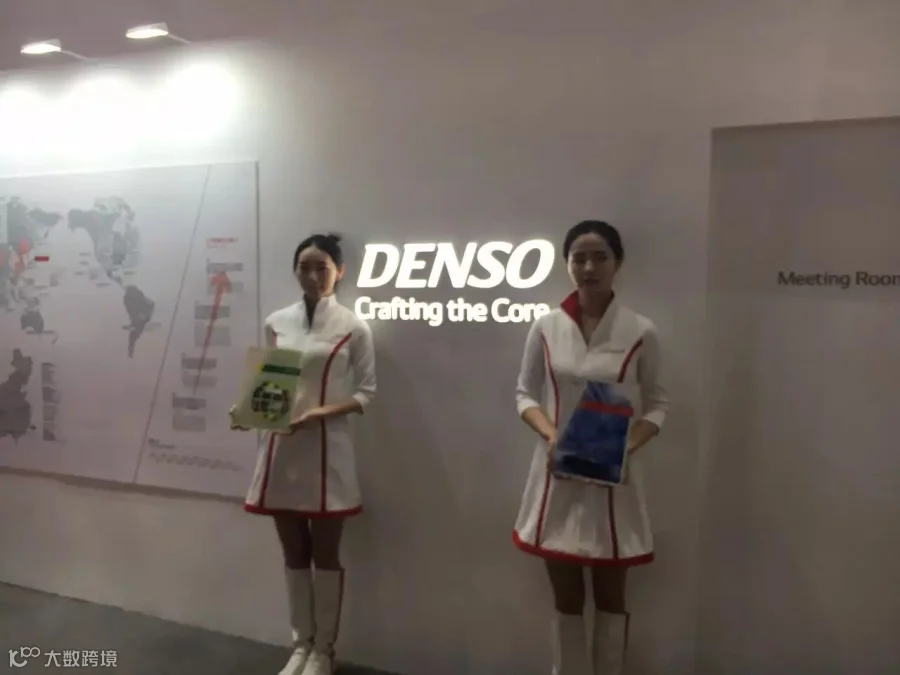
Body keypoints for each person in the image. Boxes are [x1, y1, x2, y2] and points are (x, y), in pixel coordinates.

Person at [513, 221, 668, 675]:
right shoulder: (546, 326)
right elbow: (524, 394)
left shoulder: (640, 330)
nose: (588, 267)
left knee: (611, 597)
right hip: (556, 476)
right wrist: (551, 436)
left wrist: (624, 449)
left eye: (600, 256)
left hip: (613, 483)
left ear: (618, 263)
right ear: (567, 264)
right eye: (578, 258)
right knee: (565, 599)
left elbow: (658, 405)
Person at [231, 233, 376, 675]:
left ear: (339, 271)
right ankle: (301, 644)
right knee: (293, 552)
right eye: (305, 267)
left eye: (322, 268)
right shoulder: (276, 322)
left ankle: (324, 651)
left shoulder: (354, 327)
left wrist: (318, 414)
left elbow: (366, 393)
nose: (313, 276)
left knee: (325, 554)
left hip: (328, 452)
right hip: (283, 450)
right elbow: (268, 386)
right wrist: (246, 411)